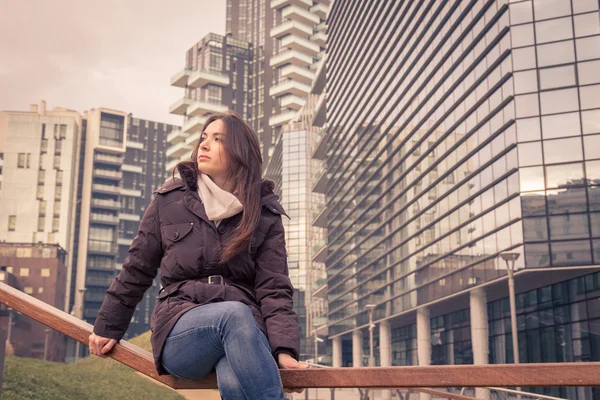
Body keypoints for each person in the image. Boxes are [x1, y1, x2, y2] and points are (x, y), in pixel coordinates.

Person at [89, 111, 307, 399]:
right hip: (181, 327)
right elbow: (137, 269)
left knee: (235, 380)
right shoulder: (170, 201)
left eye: (217, 139)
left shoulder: (263, 213)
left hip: (244, 333)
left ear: (240, 152)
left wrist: (284, 350)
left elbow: (274, 288)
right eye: (204, 137)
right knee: (233, 316)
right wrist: (107, 327)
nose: (203, 145)